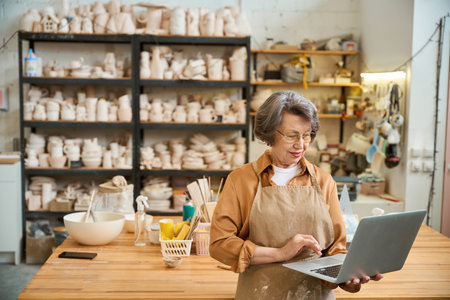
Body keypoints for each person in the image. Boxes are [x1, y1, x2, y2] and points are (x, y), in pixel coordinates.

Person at [209, 91, 382, 299]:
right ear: (270, 134)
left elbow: (336, 250)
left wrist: (349, 274)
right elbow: (220, 244)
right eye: (292, 135)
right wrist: (280, 254)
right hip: (260, 293)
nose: (301, 145)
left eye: (307, 134)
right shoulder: (241, 180)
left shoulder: (324, 181)